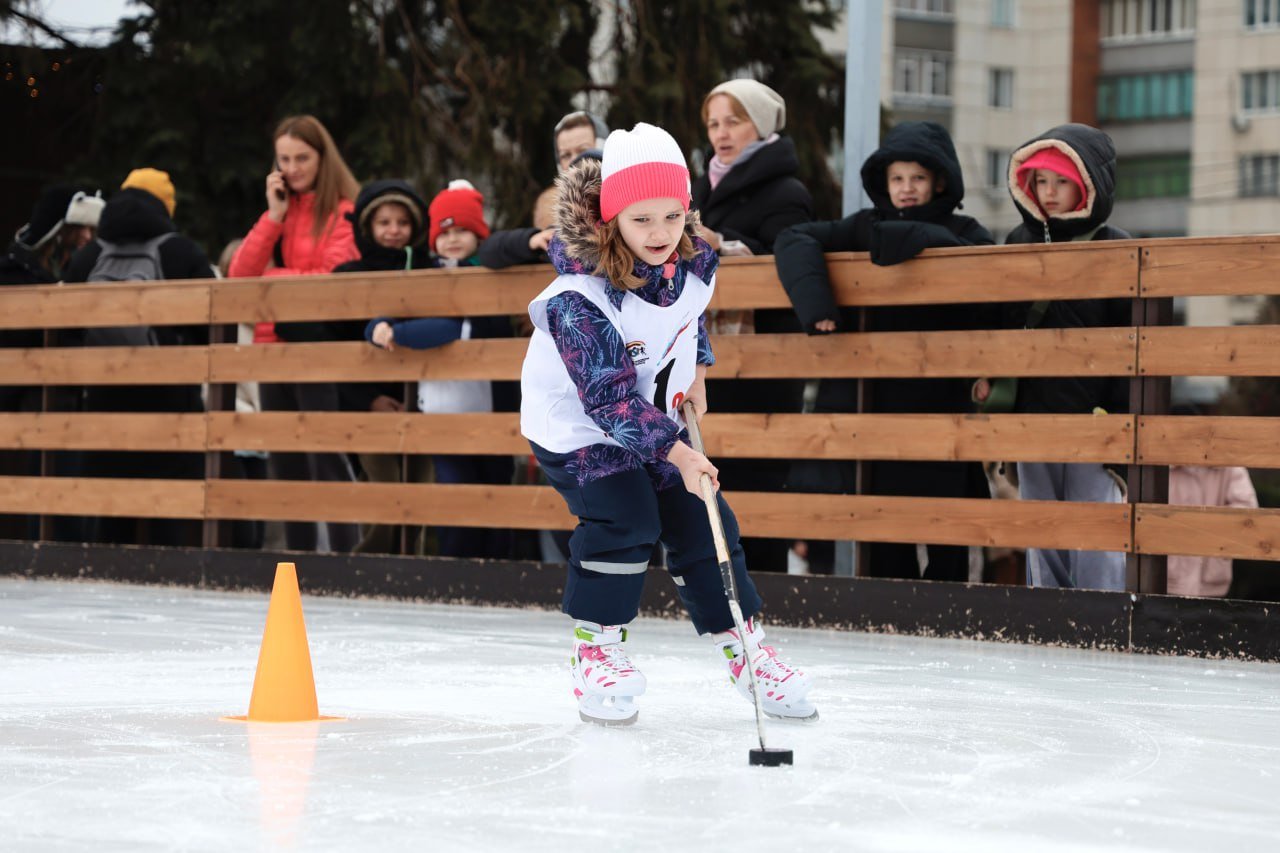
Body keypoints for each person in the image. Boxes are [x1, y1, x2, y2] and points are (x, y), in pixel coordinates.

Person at [520, 122, 815, 725]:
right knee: (626, 516)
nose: (659, 234)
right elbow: (605, 399)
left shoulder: (693, 263)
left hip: (650, 417)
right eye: (641, 219)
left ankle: (746, 648)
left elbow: (689, 319)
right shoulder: (579, 298)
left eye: (672, 216)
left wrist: (698, 369)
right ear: (610, 220)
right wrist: (678, 454)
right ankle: (597, 650)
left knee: (702, 514)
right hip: (579, 431)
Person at [775, 121, 994, 580]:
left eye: (917, 178)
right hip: (878, 404)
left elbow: (990, 293)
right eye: (897, 179)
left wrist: (985, 367)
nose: (907, 188)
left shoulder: (967, 231)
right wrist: (818, 310)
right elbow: (795, 238)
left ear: (938, 181)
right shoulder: (866, 226)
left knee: (946, 523)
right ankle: (891, 614)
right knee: (885, 529)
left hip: (941, 403)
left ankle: (949, 613)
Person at [974, 123, 1132, 591]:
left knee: (1093, 521)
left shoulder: (1115, 246)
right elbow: (1004, 324)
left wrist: (1121, 413)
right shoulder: (1018, 243)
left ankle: (1102, 612)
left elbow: (1133, 340)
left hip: (1094, 414)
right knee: (1042, 520)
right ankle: (1049, 611)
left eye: (1062, 181)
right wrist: (990, 376)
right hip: (1032, 411)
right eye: (1041, 182)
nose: (1050, 192)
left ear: (1088, 183)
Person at [692, 78, 814, 573]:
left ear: (759, 125)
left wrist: (722, 242)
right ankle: (712, 591)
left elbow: (786, 256)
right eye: (713, 123)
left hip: (762, 369)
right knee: (709, 483)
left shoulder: (786, 190)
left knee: (759, 487)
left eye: (734, 121)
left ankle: (763, 591)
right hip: (709, 361)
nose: (722, 134)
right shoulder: (701, 186)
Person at [229, 114, 362, 553]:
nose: (292, 167)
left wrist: (276, 276)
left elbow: (330, 278)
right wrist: (273, 215)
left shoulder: (345, 210)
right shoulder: (281, 212)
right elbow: (241, 275)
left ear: (323, 158)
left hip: (316, 348)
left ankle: (346, 559)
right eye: (283, 159)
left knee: (325, 457)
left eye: (301, 157)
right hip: (273, 350)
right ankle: (300, 562)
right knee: (285, 464)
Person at [61, 168, 213, 547]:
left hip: (102, 403)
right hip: (172, 406)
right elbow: (211, 330)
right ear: (166, 207)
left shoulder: (89, 256)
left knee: (111, 516)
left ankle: (105, 577)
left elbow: (64, 329)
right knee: (174, 516)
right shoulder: (181, 251)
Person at [365, 179, 514, 559]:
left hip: (491, 414)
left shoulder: (487, 276)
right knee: (453, 496)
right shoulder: (425, 277)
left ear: (478, 234)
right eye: (444, 231)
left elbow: (450, 329)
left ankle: (495, 567)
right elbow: (393, 309)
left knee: (495, 496)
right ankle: (457, 566)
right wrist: (378, 327)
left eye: (462, 230)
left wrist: (400, 332)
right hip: (441, 412)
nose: (452, 239)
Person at [0, 184, 104, 540]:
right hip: (23, 406)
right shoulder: (13, 276)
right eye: (81, 231)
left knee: (63, 493)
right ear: (59, 232)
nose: (87, 238)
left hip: (67, 403)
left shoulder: (78, 272)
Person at [478, 111, 608, 270]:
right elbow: (489, 251)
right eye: (566, 155)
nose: (575, 161)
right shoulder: (554, 203)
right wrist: (532, 239)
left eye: (583, 150)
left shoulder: (627, 198)